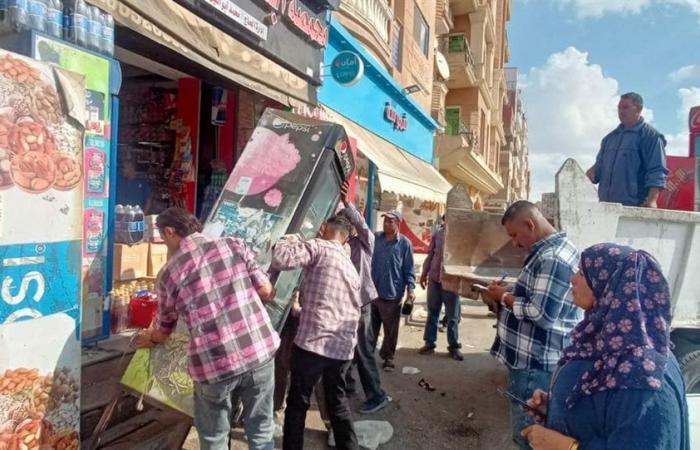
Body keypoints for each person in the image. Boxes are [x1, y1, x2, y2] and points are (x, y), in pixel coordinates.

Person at [134, 207, 279, 450]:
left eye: (162, 237)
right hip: (258, 352)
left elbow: (163, 329)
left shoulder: (169, 274)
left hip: (215, 365)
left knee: (214, 438)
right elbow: (266, 291)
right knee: (262, 431)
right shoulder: (233, 245)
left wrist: (149, 338)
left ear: (169, 232)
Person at [521, 243, 690, 450]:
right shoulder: (599, 341)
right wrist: (557, 408)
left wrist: (568, 447)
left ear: (610, 285)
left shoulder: (643, 376)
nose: (572, 279)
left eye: (583, 273)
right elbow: (603, 410)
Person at [483, 201, 582, 450]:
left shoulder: (552, 258)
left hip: (533, 365)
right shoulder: (550, 251)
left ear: (530, 224)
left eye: (515, 235)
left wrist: (503, 298)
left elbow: (541, 314)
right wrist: (508, 290)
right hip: (533, 361)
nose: (515, 243)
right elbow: (536, 293)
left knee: (527, 435)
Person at [271, 215, 361, 450]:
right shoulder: (349, 265)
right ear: (346, 238)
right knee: (337, 403)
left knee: (298, 403)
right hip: (342, 349)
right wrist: (301, 312)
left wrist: (287, 238)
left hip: (313, 346)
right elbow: (332, 308)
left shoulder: (320, 246)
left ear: (323, 229)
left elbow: (281, 258)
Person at [336, 182, 392, 414]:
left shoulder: (365, 242)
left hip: (362, 304)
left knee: (363, 350)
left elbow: (360, 224)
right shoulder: (341, 246)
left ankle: (376, 395)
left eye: (347, 224)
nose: (346, 229)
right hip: (346, 305)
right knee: (345, 347)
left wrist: (347, 204)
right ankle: (349, 385)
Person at [586, 92, 668, 207]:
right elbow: (598, 169)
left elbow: (657, 171)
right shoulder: (609, 139)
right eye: (619, 108)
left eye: (625, 107)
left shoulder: (651, 137)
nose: (621, 111)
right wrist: (591, 173)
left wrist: (652, 200)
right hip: (605, 207)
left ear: (638, 109)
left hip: (633, 208)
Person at [371, 210, 416, 372]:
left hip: (392, 294)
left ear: (398, 224)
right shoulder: (375, 238)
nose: (386, 223)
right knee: (370, 330)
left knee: (390, 331)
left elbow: (409, 270)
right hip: (372, 293)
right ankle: (366, 358)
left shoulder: (405, 244)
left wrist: (410, 291)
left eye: (391, 221)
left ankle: (388, 357)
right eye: (385, 221)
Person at [419, 216, 463, 361]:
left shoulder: (460, 235)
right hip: (434, 279)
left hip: (451, 281)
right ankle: (429, 344)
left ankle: (454, 347)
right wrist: (424, 274)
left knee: (453, 317)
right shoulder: (438, 234)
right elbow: (430, 254)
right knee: (432, 312)